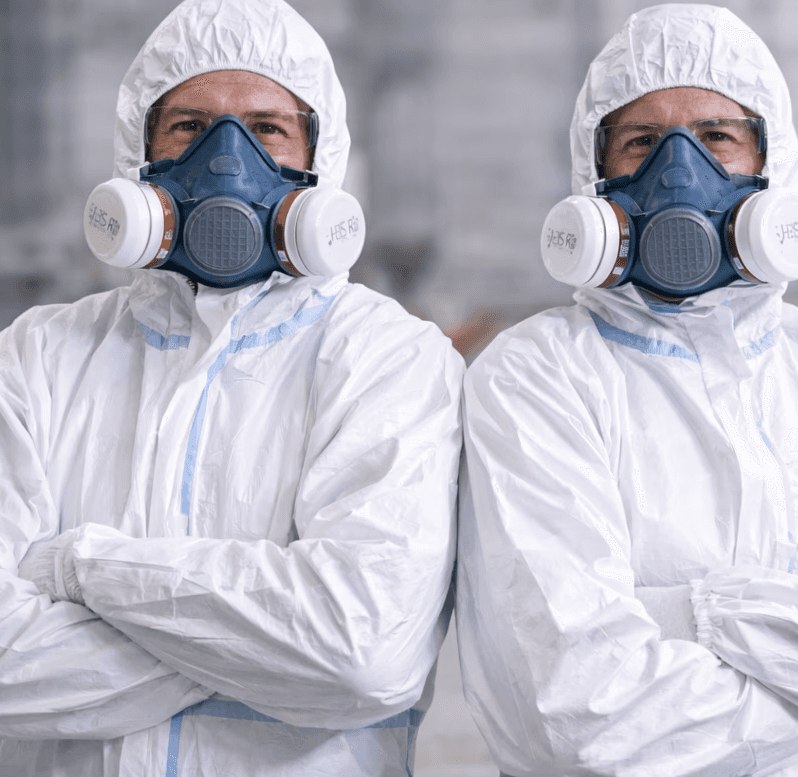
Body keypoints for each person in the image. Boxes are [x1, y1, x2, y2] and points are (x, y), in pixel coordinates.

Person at [0, 1, 464, 775]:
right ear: (136, 156)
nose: (226, 160)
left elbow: (363, 653)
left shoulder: (389, 357)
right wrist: (259, 652)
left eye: (267, 128)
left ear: (320, 161)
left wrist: (81, 570)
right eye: (187, 127)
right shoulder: (39, 354)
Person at [457, 5, 798, 776]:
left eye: (716, 138)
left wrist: (682, 614)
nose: (679, 175)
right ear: (594, 178)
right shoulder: (534, 375)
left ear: (770, 164)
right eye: (642, 144)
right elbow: (585, 716)